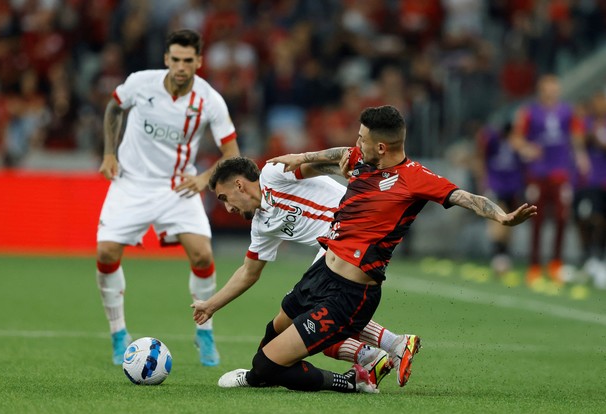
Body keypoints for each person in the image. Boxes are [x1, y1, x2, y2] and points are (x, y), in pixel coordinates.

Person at [198, 105, 536, 393]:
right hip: (322, 272)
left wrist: (502, 217)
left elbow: (465, 197)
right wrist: (303, 155)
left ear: (382, 147)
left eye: (362, 138)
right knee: (273, 333)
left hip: (350, 289)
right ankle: (380, 350)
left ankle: (353, 375)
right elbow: (337, 155)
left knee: (274, 361)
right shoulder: (361, 158)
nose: (356, 144)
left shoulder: (415, 178)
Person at [193, 156, 420, 389]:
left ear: (239, 185)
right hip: (335, 252)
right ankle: (372, 355)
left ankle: (389, 347)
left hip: (352, 236)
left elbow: (315, 166)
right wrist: (211, 306)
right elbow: (248, 272)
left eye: (224, 198)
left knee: (312, 315)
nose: (228, 208)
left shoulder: (272, 174)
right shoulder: (262, 225)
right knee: (283, 325)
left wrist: (350, 170)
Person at [95, 29, 240, 366]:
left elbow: (232, 153)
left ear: (198, 62)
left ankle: (205, 332)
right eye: (175, 59)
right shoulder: (140, 83)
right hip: (131, 182)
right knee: (105, 252)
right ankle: (118, 333)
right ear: (166, 59)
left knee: (202, 255)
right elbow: (114, 108)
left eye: (188, 60)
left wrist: (204, 178)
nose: (180, 66)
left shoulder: (209, 100)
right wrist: (109, 153)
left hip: (177, 186)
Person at [510, 74, 588, 285]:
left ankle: (556, 264)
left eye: (555, 88)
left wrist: (581, 156)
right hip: (537, 173)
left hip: (560, 173)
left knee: (562, 218)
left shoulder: (568, 111)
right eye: (548, 88)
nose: (552, 92)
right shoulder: (529, 112)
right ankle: (534, 265)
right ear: (541, 90)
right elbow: (516, 138)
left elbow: (577, 135)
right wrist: (526, 148)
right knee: (536, 219)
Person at [473, 122, 525, 278]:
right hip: (496, 185)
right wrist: (483, 181)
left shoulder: (517, 143)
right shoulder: (493, 140)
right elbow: (481, 153)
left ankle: (504, 254)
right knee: (497, 219)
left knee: (511, 222)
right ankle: (498, 254)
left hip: (513, 187)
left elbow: (528, 157)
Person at [573, 92, 606, 288]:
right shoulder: (586, 122)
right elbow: (577, 141)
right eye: (597, 102)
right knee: (590, 218)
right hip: (591, 181)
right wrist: (589, 135)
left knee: (603, 220)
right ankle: (591, 256)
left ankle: (599, 259)